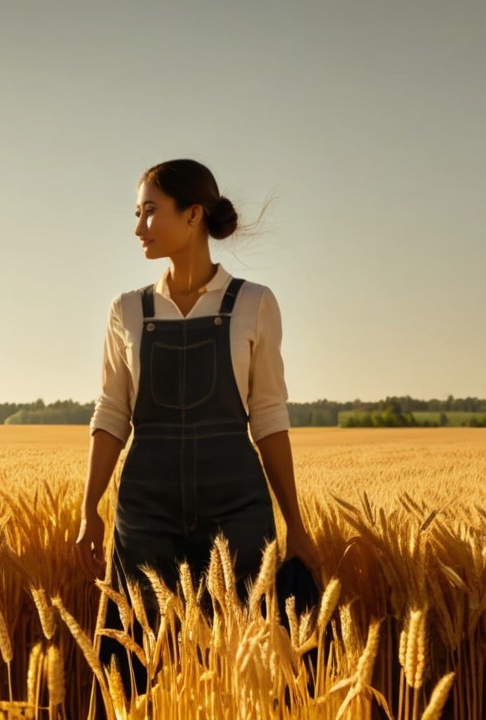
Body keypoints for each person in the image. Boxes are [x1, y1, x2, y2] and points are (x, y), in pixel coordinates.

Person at [74, 159, 320, 685]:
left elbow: (270, 416)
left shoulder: (254, 303)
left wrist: (294, 522)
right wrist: (89, 506)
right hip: (144, 512)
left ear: (193, 215)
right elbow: (112, 412)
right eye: (136, 214)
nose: (138, 227)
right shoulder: (127, 310)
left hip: (237, 507)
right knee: (137, 669)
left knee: (245, 669)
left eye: (149, 213)